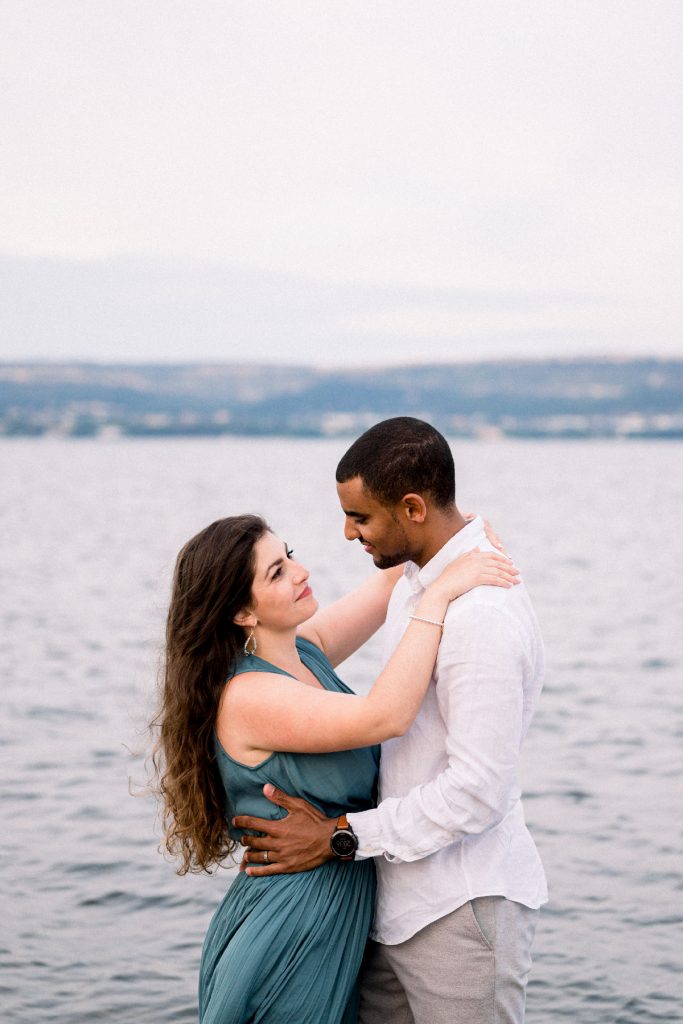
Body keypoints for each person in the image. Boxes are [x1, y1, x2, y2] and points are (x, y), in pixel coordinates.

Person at [235, 417, 548, 1024]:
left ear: (411, 509)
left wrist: (339, 836)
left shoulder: (479, 615)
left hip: (460, 908)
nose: (347, 533)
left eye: (360, 517)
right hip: (391, 903)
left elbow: (477, 792)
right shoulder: (417, 579)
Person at [152, 509, 519, 1024]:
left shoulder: (305, 652)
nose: (300, 572)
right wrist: (437, 597)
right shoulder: (249, 697)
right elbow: (386, 716)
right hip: (293, 923)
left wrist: (461, 532)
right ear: (242, 613)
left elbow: (393, 575)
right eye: (276, 572)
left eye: (289, 556)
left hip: (339, 911)